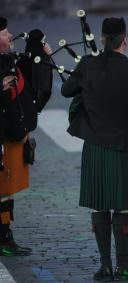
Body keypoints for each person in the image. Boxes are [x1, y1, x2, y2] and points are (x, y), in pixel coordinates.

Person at [61, 17, 128, 281]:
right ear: (125, 40)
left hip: (94, 146)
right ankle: (123, 264)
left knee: (99, 205)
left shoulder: (88, 65)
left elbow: (67, 91)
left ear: (102, 40)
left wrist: (82, 69)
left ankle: (104, 266)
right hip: (125, 146)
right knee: (123, 206)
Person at [0, 17, 51, 256]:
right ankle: (3, 239)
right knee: (3, 189)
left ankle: (5, 236)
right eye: (5, 33)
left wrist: (43, 56)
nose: (10, 36)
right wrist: (19, 132)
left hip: (10, 135)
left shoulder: (9, 61)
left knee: (5, 190)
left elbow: (37, 85)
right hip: (6, 136)